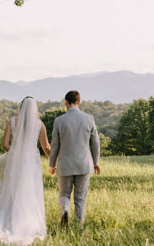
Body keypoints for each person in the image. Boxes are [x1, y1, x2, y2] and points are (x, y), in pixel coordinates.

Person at [0, 96, 50, 244]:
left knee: (12, 190)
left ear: (21, 108)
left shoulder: (12, 122)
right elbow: (46, 146)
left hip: (15, 161)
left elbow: (4, 144)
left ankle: (9, 219)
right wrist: (53, 162)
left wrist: (14, 152)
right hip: (31, 162)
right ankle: (29, 222)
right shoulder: (39, 125)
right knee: (31, 191)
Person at [48, 90, 101, 227]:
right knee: (80, 199)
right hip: (84, 164)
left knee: (64, 195)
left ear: (66, 102)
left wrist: (52, 164)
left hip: (65, 165)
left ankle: (65, 210)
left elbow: (54, 146)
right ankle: (78, 227)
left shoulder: (59, 121)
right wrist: (96, 162)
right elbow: (95, 143)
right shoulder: (89, 119)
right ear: (79, 101)